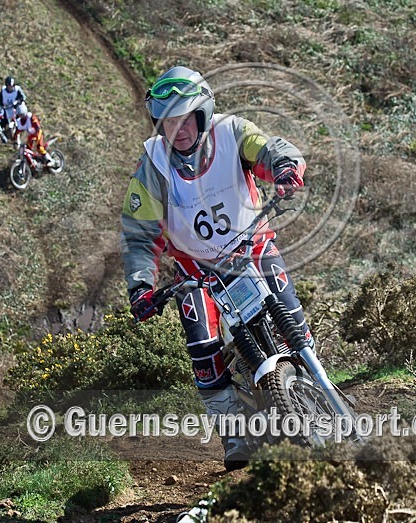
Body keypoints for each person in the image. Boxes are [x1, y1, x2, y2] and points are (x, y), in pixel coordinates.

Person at [120, 65, 313, 471]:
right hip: (198, 273)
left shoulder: (233, 133)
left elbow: (269, 148)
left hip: (253, 248)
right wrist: (140, 288)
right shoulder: (152, 166)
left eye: (186, 117)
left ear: (203, 113)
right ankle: (233, 435)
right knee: (203, 350)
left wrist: (283, 168)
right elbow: (139, 236)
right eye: (169, 120)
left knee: (292, 319)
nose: (179, 128)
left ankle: (317, 381)